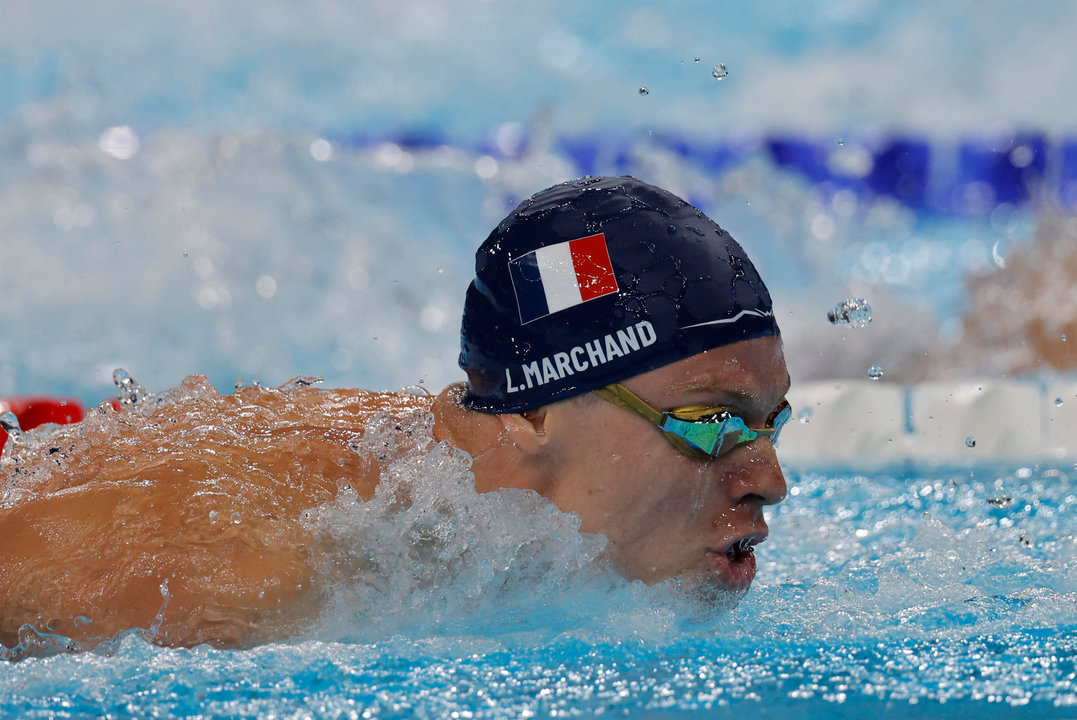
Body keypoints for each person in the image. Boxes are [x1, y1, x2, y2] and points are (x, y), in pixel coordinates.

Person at [0, 176, 791, 651]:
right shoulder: (256, 578)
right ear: (535, 416)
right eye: (709, 422)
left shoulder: (486, 508)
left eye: (768, 423)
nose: (768, 479)